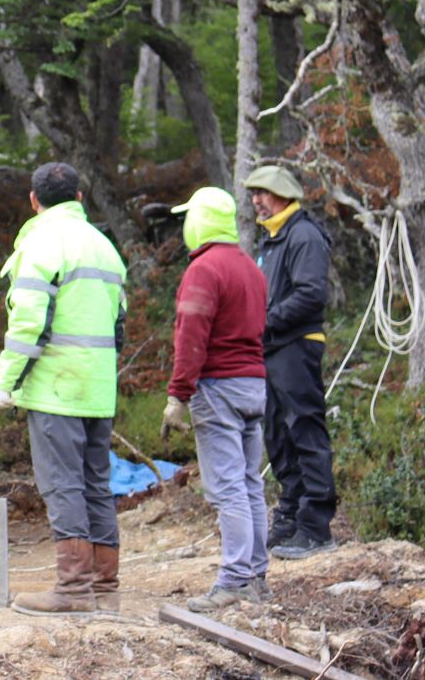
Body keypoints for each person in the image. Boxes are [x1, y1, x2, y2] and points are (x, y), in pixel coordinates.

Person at [0, 161, 128, 616]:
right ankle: (105, 587)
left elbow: (28, 323)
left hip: (55, 389)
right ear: (80, 198)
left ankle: (72, 591)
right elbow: (119, 325)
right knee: (95, 484)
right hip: (97, 388)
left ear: (34, 200)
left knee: (62, 485)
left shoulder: (41, 244)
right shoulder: (105, 248)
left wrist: (5, 382)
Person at [157, 186, 270, 610]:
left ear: (198, 221)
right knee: (249, 483)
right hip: (254, 385)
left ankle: (235, 579)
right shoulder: (250, 268)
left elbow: (192, 336)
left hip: (219, 387)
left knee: (227, 487)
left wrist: (177, 395)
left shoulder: (204, 269)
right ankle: (256, 577)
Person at [244, 163, 337, 560]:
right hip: (273, 349)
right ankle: (290, 517)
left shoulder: (304, 236)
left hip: (297, 346)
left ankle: (316, 526)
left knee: (305, 429)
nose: (256, 201)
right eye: (253, 194)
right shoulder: (271, 241)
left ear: (283, 192)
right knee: (277, 434)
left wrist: (261, 323)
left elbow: (310, 296)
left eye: (262, 192)